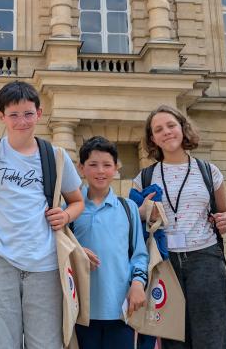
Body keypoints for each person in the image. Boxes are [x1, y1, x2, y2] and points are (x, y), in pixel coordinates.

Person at [0, 80, 85, 348]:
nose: (22, 121)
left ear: (39, 114)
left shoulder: (55, 156)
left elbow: (77, 202)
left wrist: (65, 216)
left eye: (28, 114)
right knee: (2, 343)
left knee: (46, 344)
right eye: (14, 115)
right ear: (2, 116)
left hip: (45, 265)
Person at [132, 105, 226, 349]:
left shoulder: (209, 171)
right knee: (173, 340)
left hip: (205, 259)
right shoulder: (143, 178)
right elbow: (133, 224)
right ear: (152, 138)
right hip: (165, 263)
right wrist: (144, 211)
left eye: (171, 125)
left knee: (212, 338)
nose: (166, 132)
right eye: (158, 129)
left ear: (182, 128)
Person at [72, 136, 148, 349]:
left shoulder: (129, 208)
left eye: (107, 165)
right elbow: (58, 249)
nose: (100, 171)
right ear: (81, 168)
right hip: (81, 312)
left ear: (116, 169)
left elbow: (139, 255)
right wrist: (76, 251)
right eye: (93, 165)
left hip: (121, 310)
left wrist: (137, 284)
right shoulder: (71, 208)